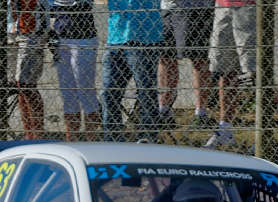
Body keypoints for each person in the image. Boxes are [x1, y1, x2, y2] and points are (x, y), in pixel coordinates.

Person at [101, 0, 162, 141]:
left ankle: (147, 139)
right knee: (108, 93)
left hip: (144, 38)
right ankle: (113, 139)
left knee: (146, 92)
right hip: (116, 38)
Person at [204, 0, 256, 149]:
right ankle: (225, 130)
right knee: (224, 70)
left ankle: (260, 136)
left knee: (251, 70)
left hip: (249, 7)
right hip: (222, 6)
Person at [157, 0, 214, 130]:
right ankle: (164, 110)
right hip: (165, 8)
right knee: (165, 58)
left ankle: (201, 114)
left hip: (194, 9)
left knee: (198, 59)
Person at [49, 0, 99, 140]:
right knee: (67, 92)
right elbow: (49, 7)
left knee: (85, 90)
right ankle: (72, 139)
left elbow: (80, 4)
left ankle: (92, 139)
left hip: (83, 39)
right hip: (61, 38)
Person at [8, 0, 47, 139]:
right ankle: (29, 133)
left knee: (26, 84)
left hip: (31, 30)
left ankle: (38, 134)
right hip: (10, 28)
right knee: (19, 86)